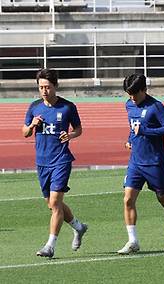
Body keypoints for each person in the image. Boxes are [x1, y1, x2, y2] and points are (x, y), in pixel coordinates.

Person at [23, 68, 88, 258]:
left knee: (55, 202)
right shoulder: (34, 107)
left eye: (47, 87)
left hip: (61, 159)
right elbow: (24, 132)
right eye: (41, 87)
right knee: (52, 205)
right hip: (42, 161)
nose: (44, 91)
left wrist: (70, 135)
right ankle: (78, 226)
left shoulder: (67, 107)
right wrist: (32, 125)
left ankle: (50, 245)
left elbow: (78, 129)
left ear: (55, 86)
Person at [118, 74, 164, 255]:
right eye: (129, 94)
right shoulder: (129, 105)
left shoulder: (155, 107)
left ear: (144, 90)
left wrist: (145, 131)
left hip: (155, 162)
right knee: (128, 199)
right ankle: (133, 240)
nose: (132, 98)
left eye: (135, 94)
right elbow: (133, 127)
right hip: (136, 161)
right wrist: (131, 139)